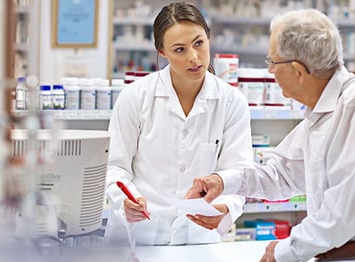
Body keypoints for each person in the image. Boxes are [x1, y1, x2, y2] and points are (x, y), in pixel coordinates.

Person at [185, 8, 355, 262]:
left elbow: (345, 213)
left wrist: (283, 252)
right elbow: (280, 175)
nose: (270, 71)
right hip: (342, 258)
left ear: (297, 69)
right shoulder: (325, 112)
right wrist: (222, 182)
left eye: (272, 62)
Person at [104, 2, 254, 246]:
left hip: (198, 240)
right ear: (162, 52)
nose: (193, 58)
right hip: (138, 239)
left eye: (199, 43)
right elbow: (114, 167)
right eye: (179, 49)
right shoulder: (135, 97)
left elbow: (238, 172)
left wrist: (225, 208)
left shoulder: (231, 102)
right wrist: (125, 201)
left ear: (208, 38)